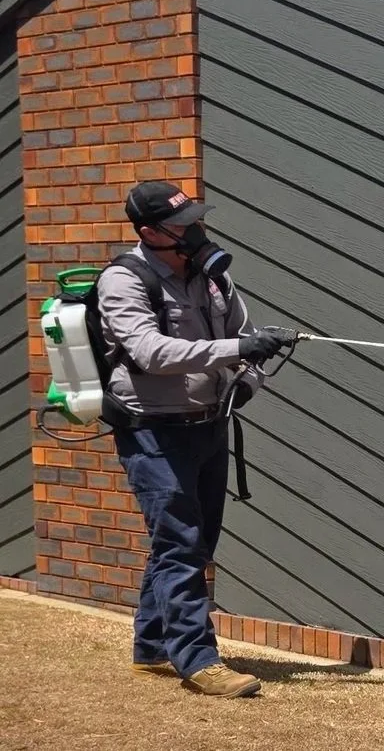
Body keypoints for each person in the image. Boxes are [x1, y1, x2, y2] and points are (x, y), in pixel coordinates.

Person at [96, 181, 290, 698]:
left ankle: (153, 648)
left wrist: (247, 382)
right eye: (182, 225)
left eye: (195, 220)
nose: (195, 231)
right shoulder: (123, 280)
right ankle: (199, 661)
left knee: (193, 542)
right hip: (154, 432)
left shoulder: (213, 279)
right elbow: (150, 351)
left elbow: (248, 343)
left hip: (209, 424)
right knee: (180, 544)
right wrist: (236, 346)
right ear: (149, 232)